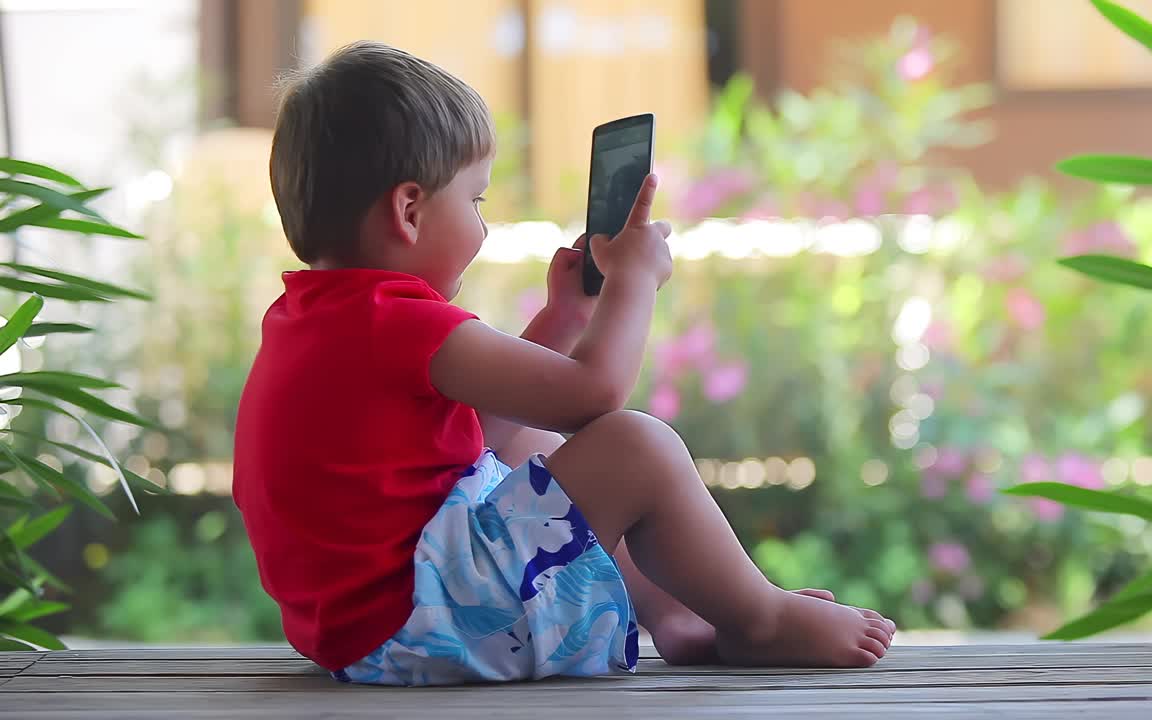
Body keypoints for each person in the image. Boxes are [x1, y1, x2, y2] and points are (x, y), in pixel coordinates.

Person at [233, 41, 895, 687]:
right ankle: (760, 619)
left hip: (372, 632)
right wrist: (634, 280)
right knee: (635, 445)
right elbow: (594, 397)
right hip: (427, 622)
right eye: (476, 201)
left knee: (530, 443)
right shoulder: (398, 320)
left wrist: (566, 316)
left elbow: (479, 426)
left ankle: (677, 612)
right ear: (409, 210)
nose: (484, 227)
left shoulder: (313, 319)